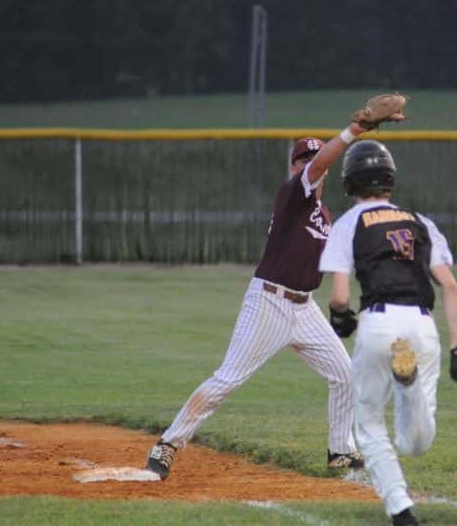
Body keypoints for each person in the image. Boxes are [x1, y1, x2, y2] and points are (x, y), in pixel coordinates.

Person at [146, 96, 407, 480]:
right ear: (294, 167)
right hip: (269, 302)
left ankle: (340, 451)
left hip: (304, 308)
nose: (312, 164)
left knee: (344, 374)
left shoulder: (323, 214)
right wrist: (355, 130)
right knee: (228, 379)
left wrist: (346, 300)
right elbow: (320, 164)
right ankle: (168, 443)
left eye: (313, 159)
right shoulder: (292, 195)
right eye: (304, 160)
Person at [318, 139, 457, 526]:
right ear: (390, 179)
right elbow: (450, 287)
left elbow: (339, 296)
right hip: (421, 324)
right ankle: (408, 384)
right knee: (416, 443)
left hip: (378, 322)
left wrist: (341, 316)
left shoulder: (348, 223)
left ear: (350, 181)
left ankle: (400, 509)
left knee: (369, 423)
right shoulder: (420, 222)